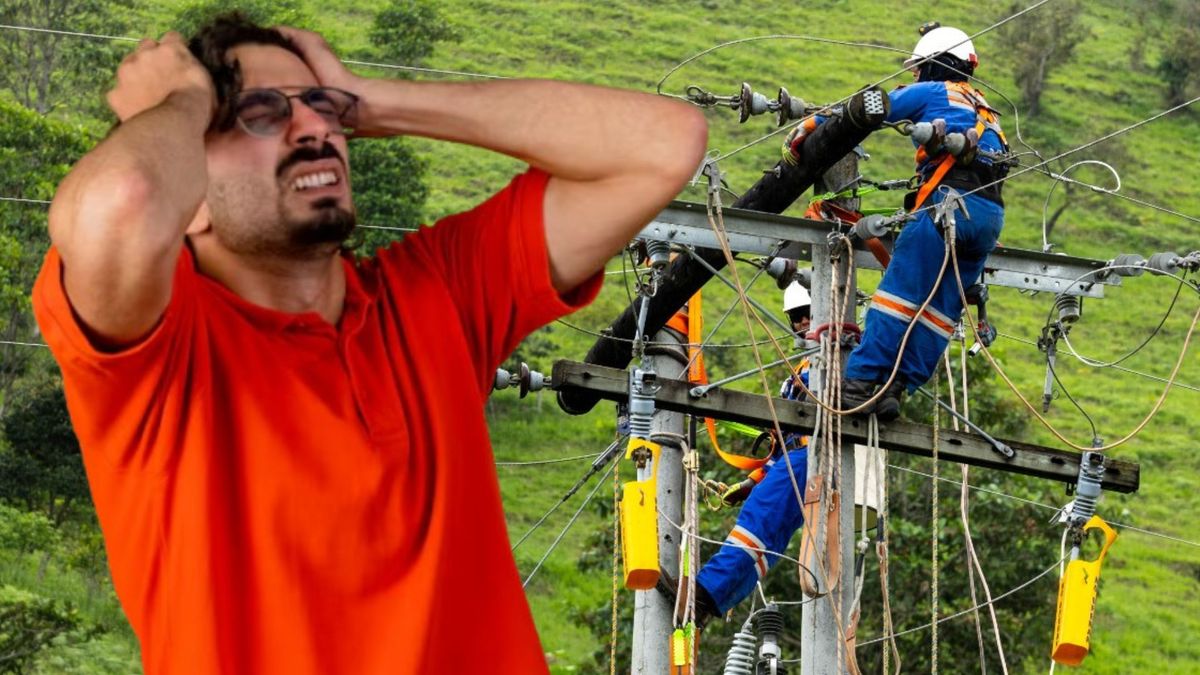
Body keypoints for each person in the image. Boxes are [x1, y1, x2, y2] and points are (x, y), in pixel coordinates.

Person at [32, 14, 706, 675]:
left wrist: (370, 100)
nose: (315, 128)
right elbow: (124, 200)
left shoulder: (436, 292)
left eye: (321, 106)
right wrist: (181, 100)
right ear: (190, 197)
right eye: (259, 113)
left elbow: (666, 143)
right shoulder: (161, 352)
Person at [783, 23, 1008, 421]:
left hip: (945, 208)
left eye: (919, 67)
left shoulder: (935, 91)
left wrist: (812, 125)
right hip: (988, 220)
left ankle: (856, 384)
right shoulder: (989, 114)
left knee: (898, 298)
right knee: (940, 312)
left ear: (936, 64)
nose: (915, 74)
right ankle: (895, 389)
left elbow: (870, 108)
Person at [689, 281, 812, 625]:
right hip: (797, 460)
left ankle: (705, 592)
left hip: (810, 457)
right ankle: (712, 603)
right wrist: (752, 481)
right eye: (796, 317)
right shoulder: (801, 369)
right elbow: (782, 444)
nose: (802, 322)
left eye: (807, 313)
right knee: (767, 542)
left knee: (759, 521)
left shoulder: (835, 357)